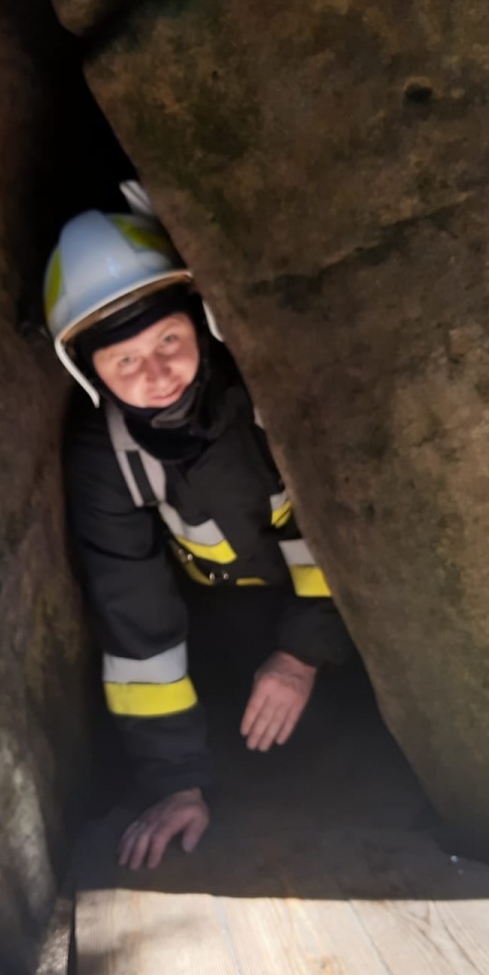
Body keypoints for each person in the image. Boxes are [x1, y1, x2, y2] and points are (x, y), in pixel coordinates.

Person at [45, 185, 349, 871]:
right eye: (123, 361)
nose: (156, 375)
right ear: (88, 371)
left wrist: (301, 655)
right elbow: (137, 629)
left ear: (198, 320)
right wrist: (174, 781)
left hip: (341, 606)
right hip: (233, 614)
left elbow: (346, 529)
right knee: (249, 749)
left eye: (169, 341)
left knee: (336, 730)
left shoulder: (264, 385)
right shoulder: (107, 459)